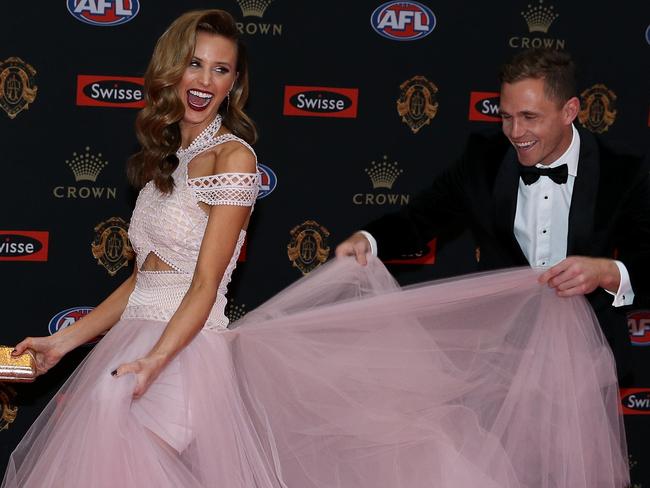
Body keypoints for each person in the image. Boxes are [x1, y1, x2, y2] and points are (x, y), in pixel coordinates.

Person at [1, 29, 630, 487]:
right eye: (195, 65)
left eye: (222, 70)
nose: (206, 81)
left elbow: (204, 284)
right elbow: (147, 278)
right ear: (170, 69)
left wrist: (155, 363)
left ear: (570, 111)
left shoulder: (233, 158)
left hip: (182, 352)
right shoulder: (167, 159)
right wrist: (65, 344)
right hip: (143, 343)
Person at [337, 48, 650, 383]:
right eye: (506, 116)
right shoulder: (482, 163)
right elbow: (418, 219)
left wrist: (606, 272)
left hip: (585, 362)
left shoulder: (622, 172)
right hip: (500, 356)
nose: (515, 132)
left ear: (569, 111)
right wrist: (369, 239)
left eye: (530, 117)